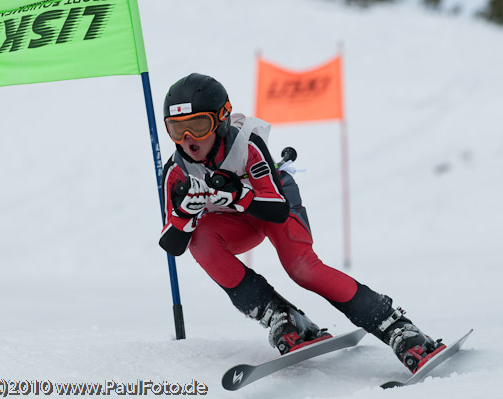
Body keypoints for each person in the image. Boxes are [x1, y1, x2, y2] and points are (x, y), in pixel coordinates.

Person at [158, 73, 445, 373]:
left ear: (221, 119)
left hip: (272, 207)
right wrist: (184, 215)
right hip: (235, 225)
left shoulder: (246, 146)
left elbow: (277, 210)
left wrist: (239, 195)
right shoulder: (176, 171)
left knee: (302, 268)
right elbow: (172, 245)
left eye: (198, 126)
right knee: (200, 241)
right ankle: (280, 315)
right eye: (176, 129)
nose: (187, 139)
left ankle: (394, 325)